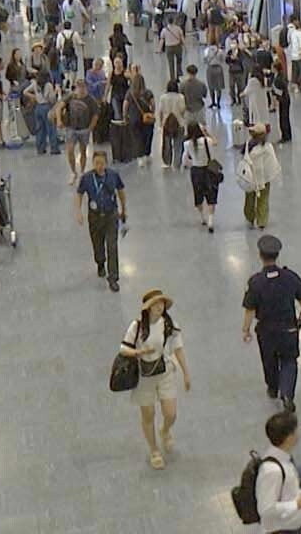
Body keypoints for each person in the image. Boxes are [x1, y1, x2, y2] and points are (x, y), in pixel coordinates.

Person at [120, 289, 190, 470]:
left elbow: (178, 347)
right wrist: (139, 352)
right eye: (156, 304)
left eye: (162, 303)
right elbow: (123, 349)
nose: (160, 307)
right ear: (148, 308)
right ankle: (154, 450)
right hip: (144, 376)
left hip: (164, 370)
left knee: (170, 413)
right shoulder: (137, 326)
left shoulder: (168, 323)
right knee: (148, 414)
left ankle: (165, 430)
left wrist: (186, 373)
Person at [242, 235, 301, 412]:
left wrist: (246, 329)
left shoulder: (256, 282)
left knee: (269, 361)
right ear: (277, 255)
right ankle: (287, 394)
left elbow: (249, 309)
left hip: (267, 332)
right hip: (289, 328)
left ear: (260, 255)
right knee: (289, 360)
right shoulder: (289, 276)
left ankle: (273, 388)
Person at [253, 411, 301, 533]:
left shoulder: (282, 458)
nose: (298, 432)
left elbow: (289, 483)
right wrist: (297, 504)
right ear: (289, 438)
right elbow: (266, 510)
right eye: (296, 430)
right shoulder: (272, 471)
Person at [74, 150, 128, 292]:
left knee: (112, 245)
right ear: (93, 163)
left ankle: (113, 277)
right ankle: (100, 262)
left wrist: (124, 209)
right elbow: (79, 193)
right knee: (97, 243)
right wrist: (78, 211)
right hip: (95, 216)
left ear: (106, 163)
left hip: (111, 215)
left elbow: (121, 191)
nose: (99, 166)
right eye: (97, 163)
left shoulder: (113, 176)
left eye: (102, 163)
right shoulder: (87, 178)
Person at [242, 124, 282, 230]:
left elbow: (244, 159)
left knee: (249, 199)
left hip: (250, 178)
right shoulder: (268, 147)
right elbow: (272, 163)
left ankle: (250, 217)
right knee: (263, 199)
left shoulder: (248, 145)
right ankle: (262, 221)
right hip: (264, 179)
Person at [182, 122, 220, 231]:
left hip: (196, 171)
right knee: (211, 195)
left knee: (198, 195)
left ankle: (202, 217)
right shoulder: (207, 141)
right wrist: (207, 133)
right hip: (209, 170)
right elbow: (215, 142)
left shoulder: (187, 144)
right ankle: (211, 220)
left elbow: (185, 160)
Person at [23, 72, 60, 155]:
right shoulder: (49, 85)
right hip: (47, 107)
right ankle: (54, 149)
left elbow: (25, 92)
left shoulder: (35, 84)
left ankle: (40, 149)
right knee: (51, 129)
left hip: (38, 108)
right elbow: (52, 99)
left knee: (40, 130)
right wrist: (56, 91)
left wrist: (35, 97)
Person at [154, 78, 187, 169]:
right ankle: (177, 163)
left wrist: (161, 123)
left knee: (167, 144)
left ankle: (167, 162)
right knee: (178, 145)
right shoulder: (181, 97)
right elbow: (182, 110)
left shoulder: (163, 97)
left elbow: (160, 111)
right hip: (179, 123)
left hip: (166, 123)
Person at [181, 64, 208, 129]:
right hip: (199, 108)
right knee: (202, 129)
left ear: (187, 72)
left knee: (189, 129)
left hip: (188, 109)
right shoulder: (201, 84)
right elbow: (204, 95)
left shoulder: (183, 84)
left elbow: (181, 95)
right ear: (196, 72)